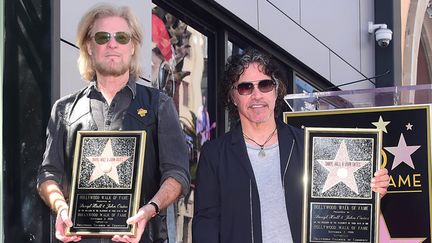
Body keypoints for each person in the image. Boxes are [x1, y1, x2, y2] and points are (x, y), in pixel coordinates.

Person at [192, 48, 389, 243]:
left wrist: (370, 191)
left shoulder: (307, 146)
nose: (257, 95)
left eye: (265, 85)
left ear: (277, 90)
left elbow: (338, 209)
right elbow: (206, 224)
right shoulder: (215, 154)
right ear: (233, 97)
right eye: (246, 88)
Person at [37, 3, 190, 243]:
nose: (112, 44)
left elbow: (177, 174)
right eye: (102, 37)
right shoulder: (64, 110)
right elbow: (48, 174)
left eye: (121, 37)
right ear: (89, 45)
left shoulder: (159, 105)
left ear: (132, 46)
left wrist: (149, 209)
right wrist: (62, 209)